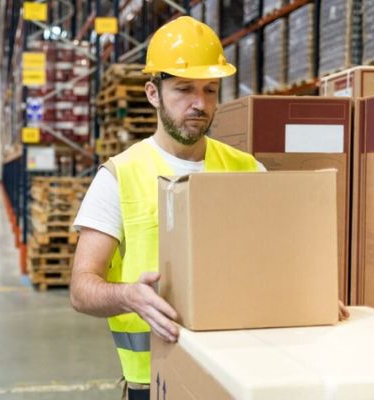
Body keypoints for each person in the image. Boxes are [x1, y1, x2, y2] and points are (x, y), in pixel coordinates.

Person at [70, 16, 349, 400]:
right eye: (184, 89)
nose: (199, 104)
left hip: (237, 374)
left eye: (210, 90)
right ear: (153, 93)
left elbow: (277, 264)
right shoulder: (120, 176)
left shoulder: (248, 169)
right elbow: (81, 288)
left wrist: (307, 297)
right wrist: (128, 296)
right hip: (155, 382)